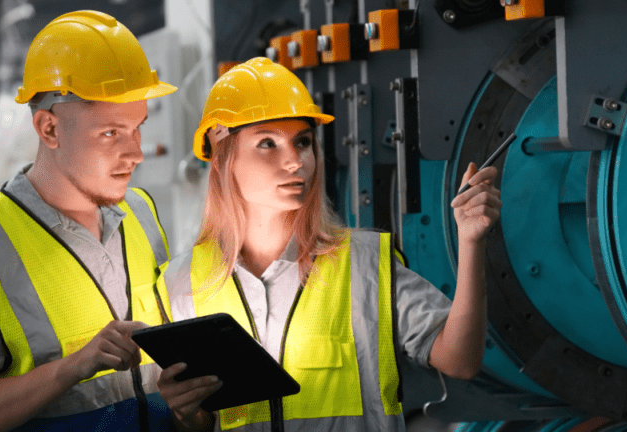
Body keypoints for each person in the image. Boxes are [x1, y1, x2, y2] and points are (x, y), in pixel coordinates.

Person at [151, 57, 502, 432]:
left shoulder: (365, 264)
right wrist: (186, 414)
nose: (294, 161)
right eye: (267, 143)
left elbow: (460, 360)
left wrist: (470, 242)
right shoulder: (180, 283)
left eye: (302, 142)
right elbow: (198, 423)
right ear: (222, 159)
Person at [0, 11, 178, 431]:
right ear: (49, 128)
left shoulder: (142, 214)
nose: (136, 154)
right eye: (111, 133)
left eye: (138, 128)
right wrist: (73, 366)